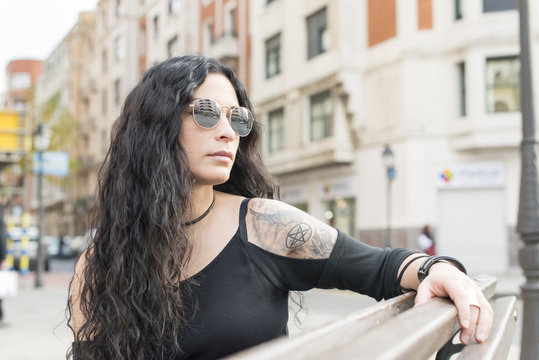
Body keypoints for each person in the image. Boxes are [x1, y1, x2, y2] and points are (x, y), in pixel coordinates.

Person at [68, 55, 493, 360]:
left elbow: (381, 268)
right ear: (155, 125)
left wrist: (436, 269)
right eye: (205, 113)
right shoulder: (100, 262)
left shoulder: (263, 224)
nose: (227, 133)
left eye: (237, 119)